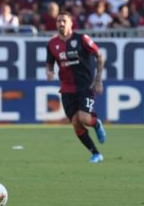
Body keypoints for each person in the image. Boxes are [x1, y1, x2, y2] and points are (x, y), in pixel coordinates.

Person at [45, 11, 106, 163]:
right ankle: (96, 153)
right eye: (59, 21)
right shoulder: (52, 44)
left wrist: (98, 79)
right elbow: (50, 61)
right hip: (66, 88)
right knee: (76, 122)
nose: (61, 24)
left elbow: (99, 56)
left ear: (71, 23)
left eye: (64, 21)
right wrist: (50, 71)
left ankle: (96, 123)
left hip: (85, 85)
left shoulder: (82, 39)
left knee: (84, 118)